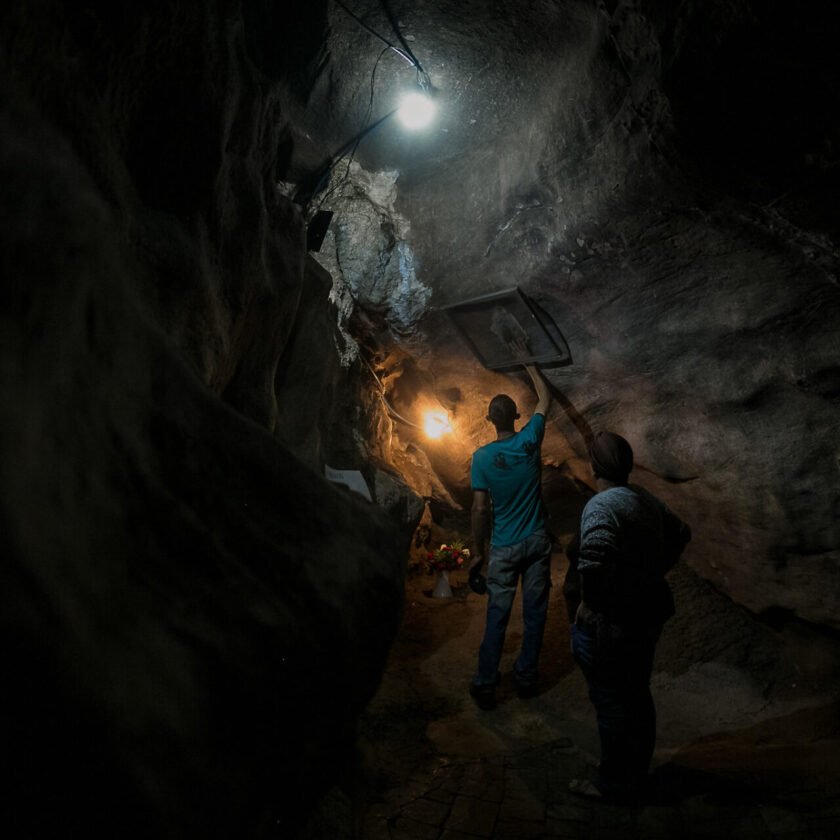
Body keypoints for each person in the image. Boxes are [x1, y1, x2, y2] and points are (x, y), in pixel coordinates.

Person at [568, 431, 691, 802]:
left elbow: (593, 562)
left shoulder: (601, 506)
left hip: (616, 621)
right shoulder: (642, 497)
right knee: (637, 694)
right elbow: (682, 532)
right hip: (648, 610)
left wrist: (590, 604)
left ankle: (614, 784)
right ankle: (636, 772)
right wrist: (654, 572)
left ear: (593, 466)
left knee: (611, 700)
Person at [468, 352, 552, 710]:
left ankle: (487, 683)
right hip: (536, 540)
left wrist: (477, 552)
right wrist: (529, 362)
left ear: (489, 420)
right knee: (535, 613)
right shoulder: (531, 438)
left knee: (497, 616)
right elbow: (545, 399)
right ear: (517, 417)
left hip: (503, 546)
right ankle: (526, 678)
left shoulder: (482, 458)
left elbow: (480, 508)